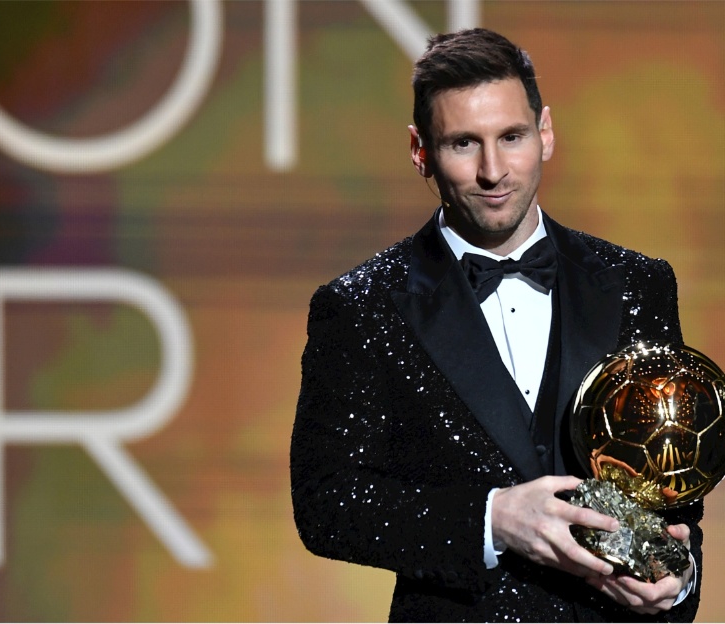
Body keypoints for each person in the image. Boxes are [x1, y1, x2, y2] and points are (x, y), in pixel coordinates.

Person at [290, 28, 702, 622]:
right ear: (419, 151)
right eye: (463, 143)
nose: (493, 170)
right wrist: (492, 520)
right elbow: (327, 504)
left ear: (546, 133)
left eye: (511, 137)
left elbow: (678, 477)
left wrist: (680, 579)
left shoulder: (639, 283)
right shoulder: (361, 305)